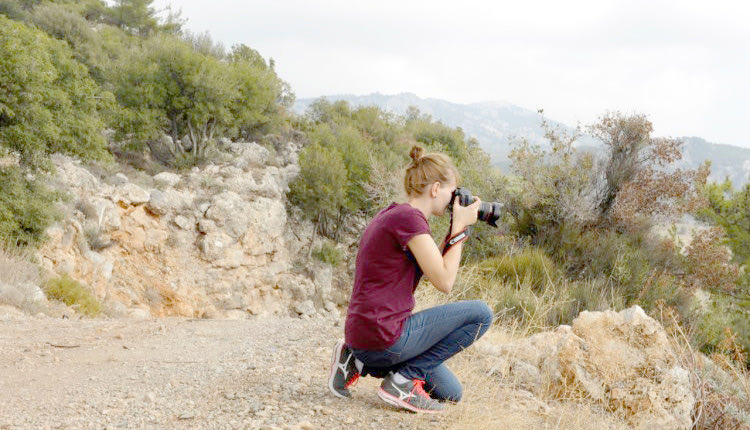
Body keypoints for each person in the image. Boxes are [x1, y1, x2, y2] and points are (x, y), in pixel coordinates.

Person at [327, 144, 494, 413]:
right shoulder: (409, 219)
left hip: (368, 336)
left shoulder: (396, 214)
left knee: (450, 393)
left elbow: (434, 265)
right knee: (481, 314)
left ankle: (356, 361)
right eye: (453, 192)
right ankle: (402, 382)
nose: (454, 200)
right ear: (436, 188)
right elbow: (444, 282)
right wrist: (460, 228)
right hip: (384, 335)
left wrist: (455, 229)